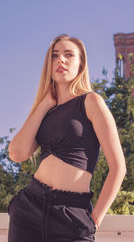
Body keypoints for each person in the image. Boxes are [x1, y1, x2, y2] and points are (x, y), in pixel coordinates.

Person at [7, 34, 127, 242]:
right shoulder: (46, 111)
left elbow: (118, 168)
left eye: (69, 55)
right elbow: (17, 154)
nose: (61, 60)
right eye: (55, 56)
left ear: (81, 64)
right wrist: (44, 104)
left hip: (72, 214)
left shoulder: (91, 102)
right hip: (29, 207)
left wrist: (95, 220)